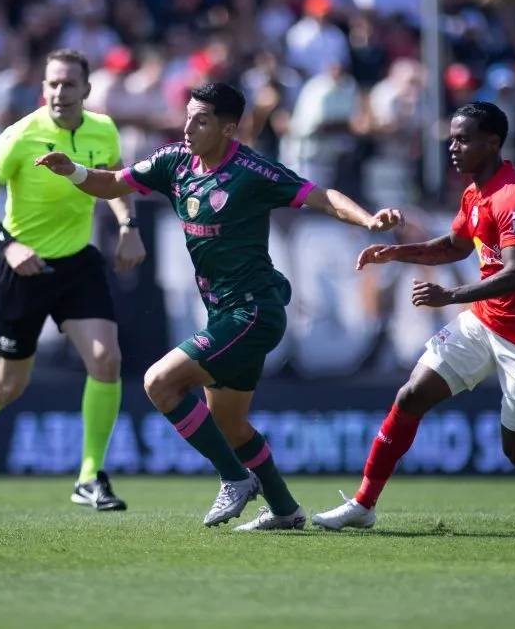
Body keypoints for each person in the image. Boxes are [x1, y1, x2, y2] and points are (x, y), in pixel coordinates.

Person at [35, 82, 404, 530]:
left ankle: (234, 478)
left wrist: (368, 219)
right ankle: (286, 510)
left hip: (254, 312)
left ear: (229, 129)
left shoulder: (252, 171)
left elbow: (320, 196)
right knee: (230, 424)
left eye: (202, 120)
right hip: (223, 313)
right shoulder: (174, 161)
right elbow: (112, 182)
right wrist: (72, 170)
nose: (188, 126)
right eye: (188, 115)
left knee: (159, 383)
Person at [311, 101, 515, 530]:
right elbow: (453, 246)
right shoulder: (475, 192)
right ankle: (363, 504)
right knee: (411, 395)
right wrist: (396, 253)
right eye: (451, 138)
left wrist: (449, 294)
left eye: (463, 139)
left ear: (492, 143)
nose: (453, 147)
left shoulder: (514, 198)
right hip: (486, 320)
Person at [0, 49, 147, 513]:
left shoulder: (103, 129)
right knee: (7, 385)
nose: (59, 92)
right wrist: (7, 246)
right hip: (21, 268)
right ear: (42, 88)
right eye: (52, 84)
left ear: (86, 91)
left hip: (76, 263)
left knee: (107, 359)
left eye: (69, 84)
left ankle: (90, 476)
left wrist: (128, 228)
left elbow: (114, 182)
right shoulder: (20, 136)